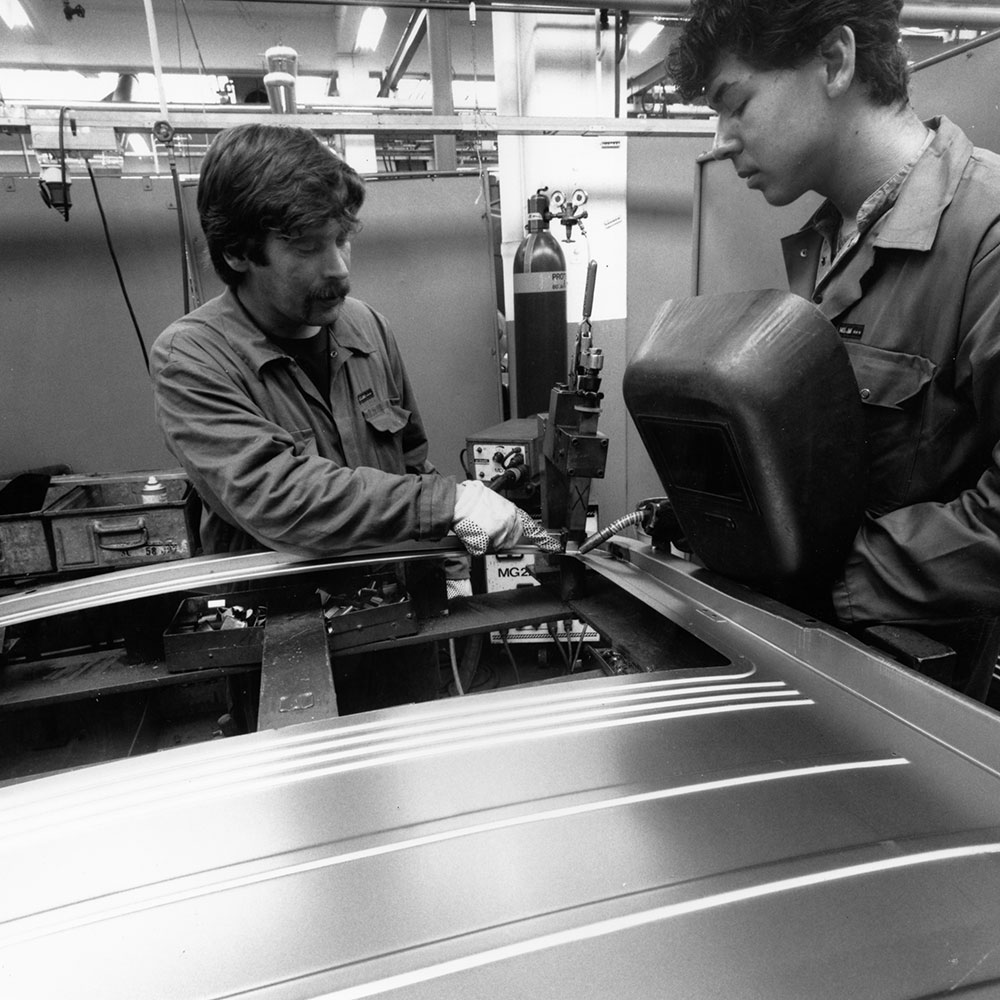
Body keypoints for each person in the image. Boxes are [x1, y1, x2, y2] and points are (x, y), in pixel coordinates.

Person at [150, 123, 554, 712]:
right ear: (237, 252)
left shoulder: (365, 326)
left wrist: (456, 539)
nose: (339, 267)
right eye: (308, 247)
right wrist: (447, 503)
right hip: (282, 652)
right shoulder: (192, 357)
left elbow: (409, 461)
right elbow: (279, 499)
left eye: (343, 238)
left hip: (397, 627)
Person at [668, 0, 1000, 699]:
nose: (721, 140)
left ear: (835, 61)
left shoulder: (986, 240)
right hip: (824, 669)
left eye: (736, 104)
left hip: (930, 705)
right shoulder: (826, 244)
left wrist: (826, 576)